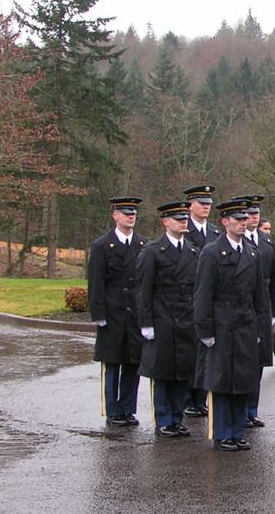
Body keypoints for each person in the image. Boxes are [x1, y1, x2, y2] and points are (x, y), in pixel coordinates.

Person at [192, 198, 269, 451]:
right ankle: (222, 433)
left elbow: (260, 294)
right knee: (222, 382)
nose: (243, 223)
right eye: (238, 219)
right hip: (222, 322)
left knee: (243, 381)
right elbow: (203, 294)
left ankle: (237, 431)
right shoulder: (212, 252)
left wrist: (260, 327)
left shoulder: (252, 252)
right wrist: (205, 330)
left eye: (245, 219)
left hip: (245, 324)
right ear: (225, 222)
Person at [135, 201, 199, 438]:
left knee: (182, 370)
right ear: (165, 222)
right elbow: (143, 290)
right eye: (178, 219)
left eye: (185, 218)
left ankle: (176, 417)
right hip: (162, 317)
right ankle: (163, 419)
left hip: (186, 317)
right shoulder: (152, 251)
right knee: (163, 372)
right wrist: (146, 322)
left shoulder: (193, 251)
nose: (183, 222)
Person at [88, 197, 147, 426]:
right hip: (112, 311)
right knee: (112, 363)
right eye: (126, 213)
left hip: (134, 312)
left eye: (133, 213)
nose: (130, 216)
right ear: (115, 215)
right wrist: (99, 314)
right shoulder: (102, 245)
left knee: (133, 362)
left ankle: (127, 408)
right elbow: (96, 282)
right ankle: (112, 410)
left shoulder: (143, 245)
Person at [235, 194, 275, 428]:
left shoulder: (267, 242)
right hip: (243, 305)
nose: (254, 217)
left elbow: (273, 279)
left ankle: (252, 410)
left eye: (256, 213)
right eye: (250, 214)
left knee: (260, 362)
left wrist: (274, 311)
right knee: (243, 361)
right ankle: (240, 410)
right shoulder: (237, 240)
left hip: (262, 307)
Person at [181, 183, 220, 418]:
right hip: (188, 297)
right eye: (201, 204)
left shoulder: (215, 233)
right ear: (190, 206)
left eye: (208, 205)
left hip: (210, 299)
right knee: (189, 351)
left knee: (207, 351)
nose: (206, 208)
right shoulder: (183, 231)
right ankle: (187, 398)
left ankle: (201, 397)